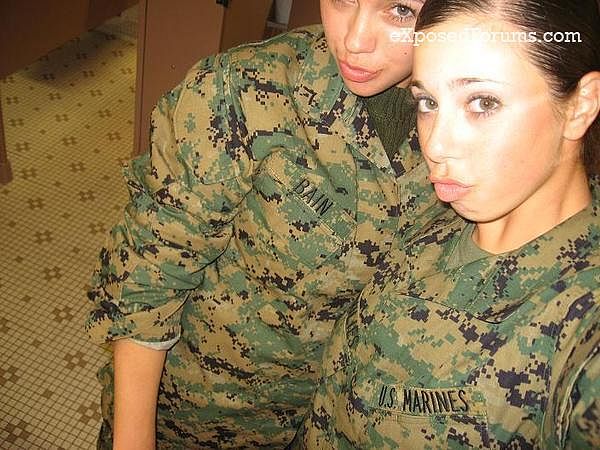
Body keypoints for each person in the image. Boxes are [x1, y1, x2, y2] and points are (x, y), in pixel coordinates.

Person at [85, 0, 434, 448]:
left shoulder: (476, 131)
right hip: (195, 417)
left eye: (401, 10)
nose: (354, 39)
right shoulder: (244, 88)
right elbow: (146, 274)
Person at [292, 0, 600, 448]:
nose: (435, 145)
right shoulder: (440, 224)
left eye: (482, 102)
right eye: (428, 102)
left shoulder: (581, 323)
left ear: (580, 106)